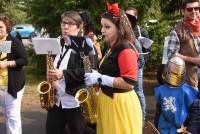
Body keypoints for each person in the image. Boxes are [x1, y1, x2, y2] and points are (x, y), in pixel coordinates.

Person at [84, 2, 142, 134]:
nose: (102, 30)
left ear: (119, 28)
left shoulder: (125, 48)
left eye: (107, 27)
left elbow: (129, 83)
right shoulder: (112, 46)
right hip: (108, 100)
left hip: (119, 105)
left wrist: (99, 78)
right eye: (102, 26)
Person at [46, 11, 96, 134]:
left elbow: (90, 71)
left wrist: (63, 74)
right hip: (56, 99)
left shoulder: (85, 45)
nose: (66, 27)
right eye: (63, 23)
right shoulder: (58, 43)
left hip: (75, 101)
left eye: (71, 24)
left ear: (79, 27)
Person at [154, 56, 198, 134]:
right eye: (173, 72)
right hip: (163, 128)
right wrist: (156, 125)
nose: (175, 75)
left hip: (182, 129)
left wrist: (191, 129)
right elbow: (159, 110)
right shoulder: (162, 90)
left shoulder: (187, 91)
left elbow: (195, 112)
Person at [0, 15, 28, 134]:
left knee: (13, 116)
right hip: (1, 85)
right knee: (6, 113)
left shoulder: (14, 42)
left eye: (0, 27)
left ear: (7, 27)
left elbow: (24, 60)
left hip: (13, 84)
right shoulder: (1, 42)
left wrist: (8, 63)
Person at [167, 0, 200, 89]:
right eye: (190, 9)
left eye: (196, 8)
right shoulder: (177, 30)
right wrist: (194, 60)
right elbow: (171, 54)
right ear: (183, 11)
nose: (193, 11)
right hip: (189, 77)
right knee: (192, 102)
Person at [126, 7, 148, 121]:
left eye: (131, 16)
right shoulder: (122, 30)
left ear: (136, 17)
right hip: (127, 66)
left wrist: (140, 65)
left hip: (137, 66)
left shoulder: (141, 30)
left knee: (138, 91)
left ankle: (142, 118)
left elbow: (145, 51)